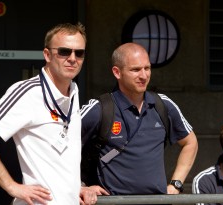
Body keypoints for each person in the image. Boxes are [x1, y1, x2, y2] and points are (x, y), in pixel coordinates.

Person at [0, 22, 97, 205]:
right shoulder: (28, 92)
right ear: (47, 55)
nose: (73, 58)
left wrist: (76, 186)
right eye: (64, 51)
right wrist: (11, 186)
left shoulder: (73, 91)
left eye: (79, 53)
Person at [80, 42, 198, 196]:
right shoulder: (99, 109)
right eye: (135, 70)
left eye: (147, 68)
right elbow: (62, 147)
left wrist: (176, 184)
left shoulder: (163, 105)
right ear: (117, 72)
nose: (143, 76)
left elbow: (190, 142)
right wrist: (80, 186)